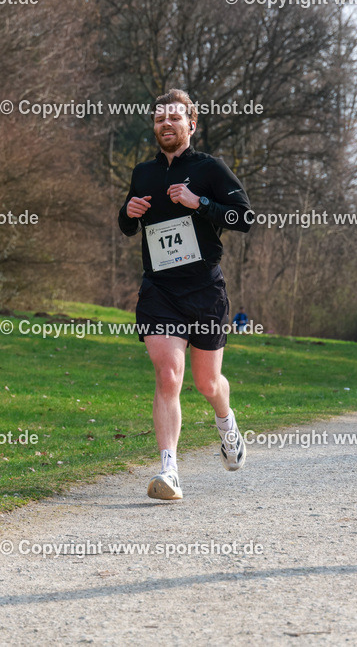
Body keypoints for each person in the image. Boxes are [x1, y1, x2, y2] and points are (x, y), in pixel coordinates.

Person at [119, 89, 252, 500]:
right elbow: (127, 224)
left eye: (174, 118)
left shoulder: (210, 168)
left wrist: (201, 203)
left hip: (204, 289)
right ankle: (169, 470)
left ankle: (226, 424)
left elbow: (245, 217)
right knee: (168, 376)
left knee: (207, 382)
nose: (166, 124)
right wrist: (127, 214)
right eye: (159, 118)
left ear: (191, 125)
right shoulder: (143, 172)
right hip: (160, 289)